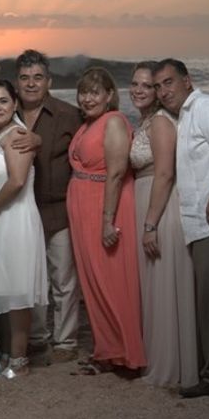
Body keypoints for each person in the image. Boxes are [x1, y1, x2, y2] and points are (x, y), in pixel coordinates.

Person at [67, 67, 145, 375]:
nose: (87, 98)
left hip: (104, 205)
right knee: (93, 282)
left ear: (110, 95)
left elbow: (115, 173)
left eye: (94, 92)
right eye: (83, 92)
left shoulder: (113, 122)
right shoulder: (89, 123)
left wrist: (107, 220)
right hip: (84, 204)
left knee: (112, 280)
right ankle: (107, 350)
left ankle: (127, 354)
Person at [0, 79, 48, 377]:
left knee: (16, 290)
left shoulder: (17, 135)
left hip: (14, 219)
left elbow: (16, 181)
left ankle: (19, 360)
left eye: (3, 100)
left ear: (14, 103)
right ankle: (5, 353)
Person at [128, 61, 197, 388]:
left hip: (161, 208)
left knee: (163, 282)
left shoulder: (159, 122)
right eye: (136, 84)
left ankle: (169, 366)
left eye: (149, 85)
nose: (140, 90)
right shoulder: (145, 122)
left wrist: (151, 224)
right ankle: (157, 358)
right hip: (148, 201)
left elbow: (166, 174)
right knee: (153, 285)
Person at [153, 59, 209, 398]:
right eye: (159, 86)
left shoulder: (205, 106)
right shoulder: (184, 118)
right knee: (208, 299)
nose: (164, 91)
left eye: (169, 83)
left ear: (187, 81)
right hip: (198, 225)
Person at [14, 49, 83, 364]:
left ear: (49, 81)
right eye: (25, 78)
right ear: (17, 82)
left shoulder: (68, 114)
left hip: (59, 208)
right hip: (19, 211)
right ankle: (38, 338)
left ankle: (66, 340)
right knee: (31, 278)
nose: (31, 84)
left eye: (37, 78)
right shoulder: (5, 111)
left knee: (64, 280)